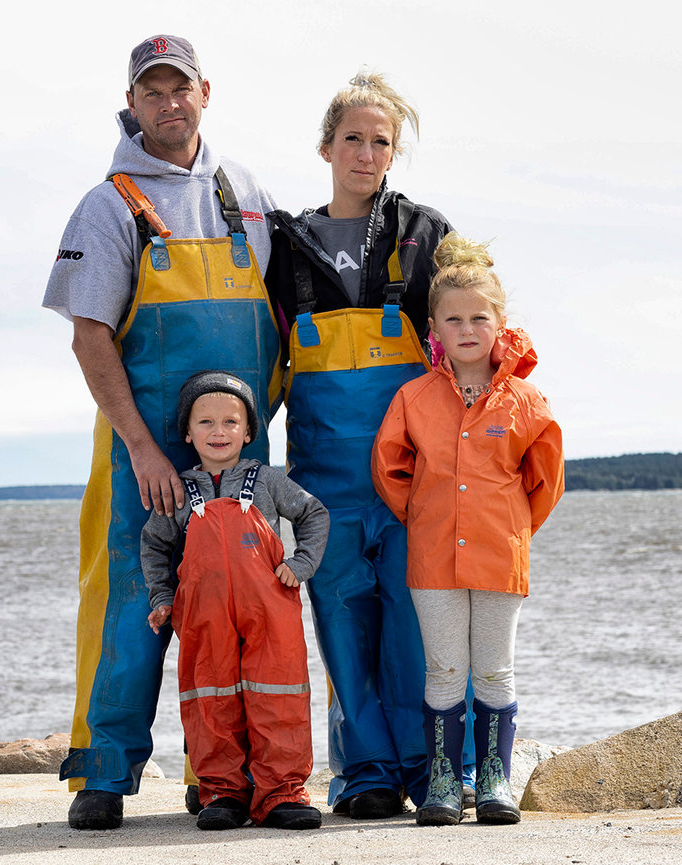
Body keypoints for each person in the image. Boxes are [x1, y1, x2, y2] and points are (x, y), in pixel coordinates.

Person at [42, 34, 282, 831]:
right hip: (140, 451)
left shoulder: (245, 192)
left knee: (233, 609)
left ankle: (219, 776)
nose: (168, 102)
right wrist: (143, 448)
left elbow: (279, 315)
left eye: (180, 87)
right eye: (152, 90)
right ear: (132, 102)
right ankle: (103, 771)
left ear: (205, 92)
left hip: (239, 451)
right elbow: (89, 337)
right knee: (128, 605)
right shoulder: (107, 204)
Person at [264, 71, 458, 818]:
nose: (366, 153)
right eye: (353, 138)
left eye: (381, 142)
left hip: (413, 476)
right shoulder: (284, 246)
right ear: (325, 147)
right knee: (342, 623)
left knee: (414, 624)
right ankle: (365, 773)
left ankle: (433, 770)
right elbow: (261, 359)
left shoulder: (425, 234)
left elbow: (471, 332)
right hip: (322, 483)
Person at [372, 232, 565, 826]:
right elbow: (390, 469)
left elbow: (546, 481)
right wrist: (426, 517)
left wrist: (511, 529)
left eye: (479, 317)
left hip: (500, 557)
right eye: (453, 319)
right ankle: (443, 782)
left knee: (495, 669)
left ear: (500, 323)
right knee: (444, 670)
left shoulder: (526, 402)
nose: (467, 329)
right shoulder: (414, 398)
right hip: (432, 558)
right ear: (433, 327)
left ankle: (494, 781)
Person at [142, 371, 329, 831]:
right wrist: (163, 596)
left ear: (248, 432)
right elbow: (154, 545)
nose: (219, 431)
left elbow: (313, 513)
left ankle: (282, 792)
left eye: (230, 421)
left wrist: (302, 564)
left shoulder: (267, 481)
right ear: (188, 432)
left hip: (270, 611)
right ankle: (223, 793)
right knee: (211, 700)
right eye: (205, 422)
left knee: (278, 696)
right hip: (204, 618)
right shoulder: (179, 490)